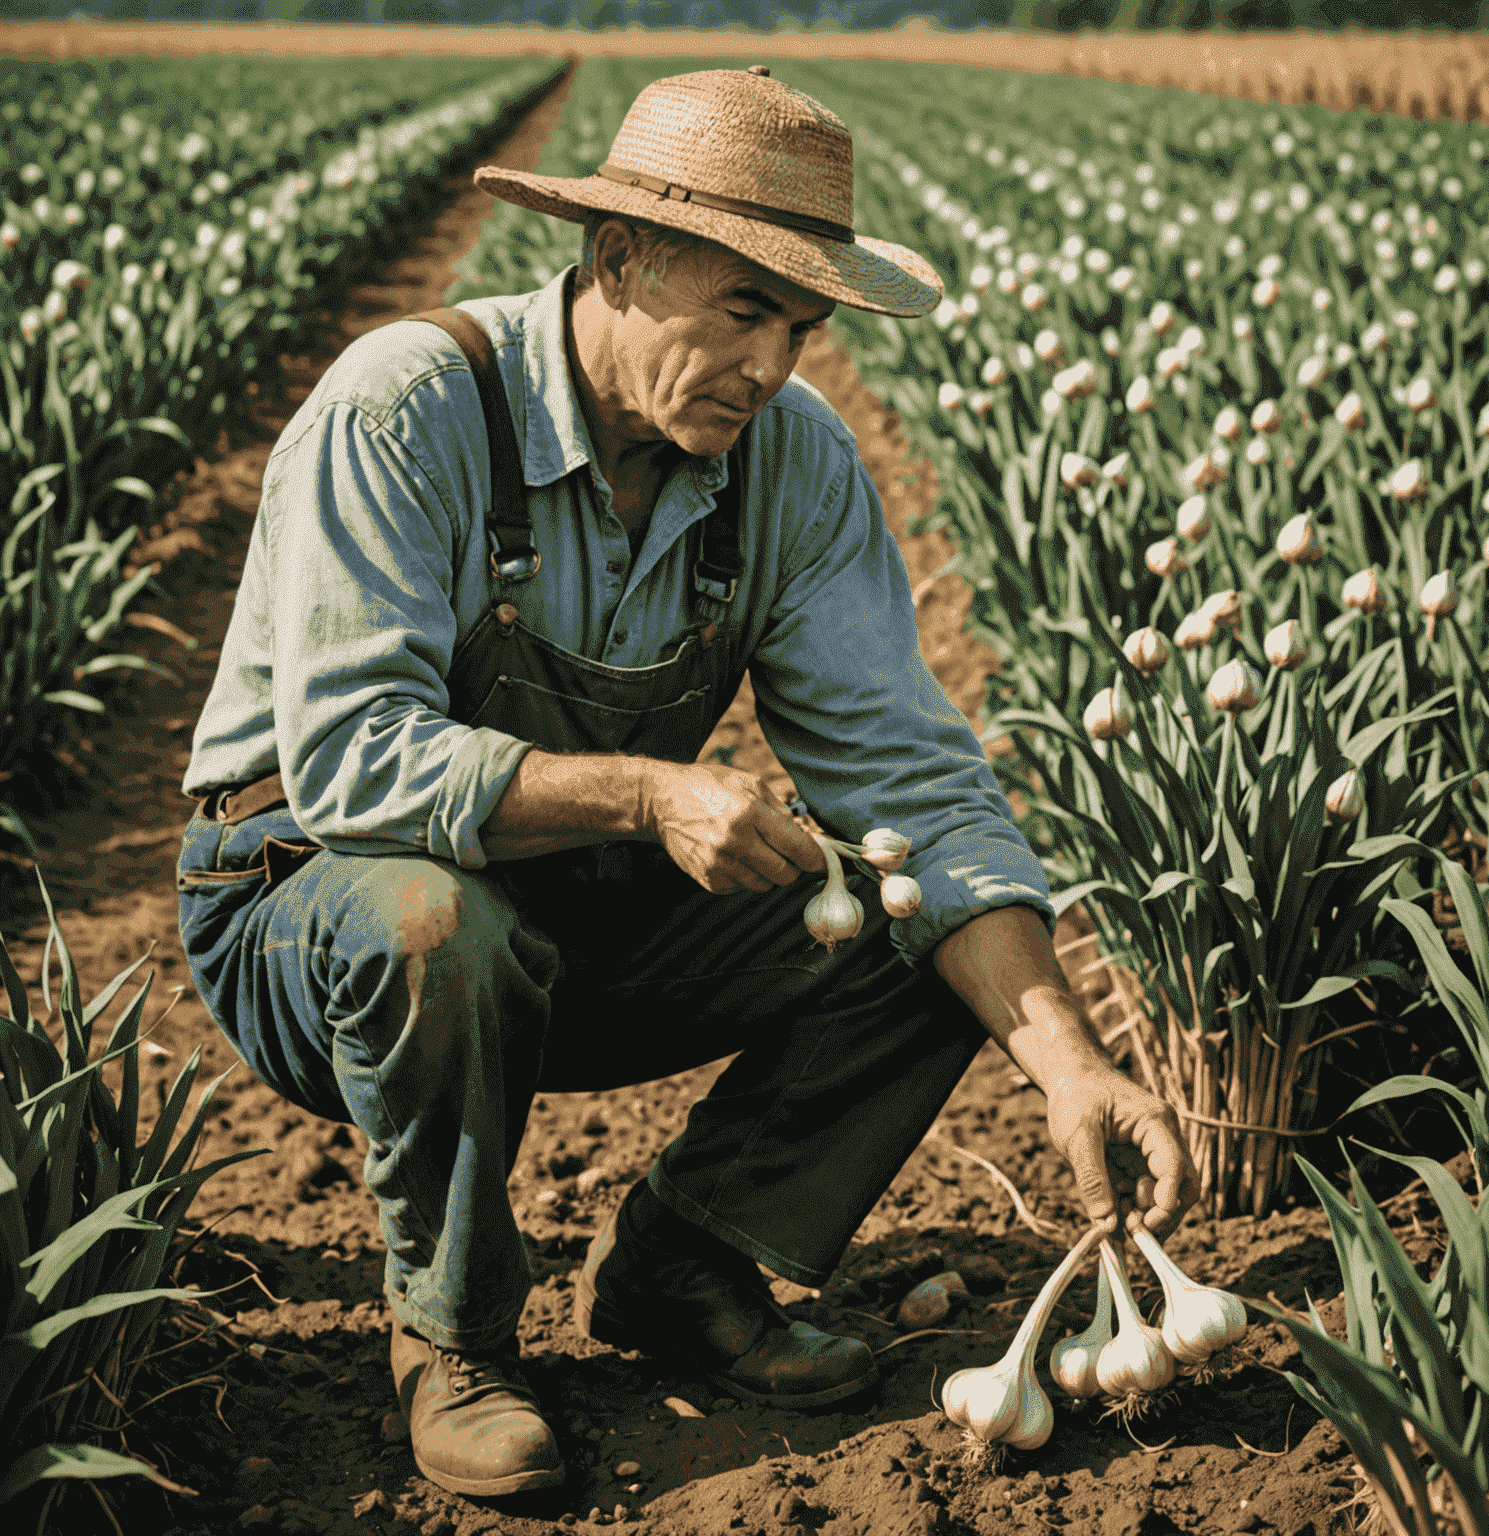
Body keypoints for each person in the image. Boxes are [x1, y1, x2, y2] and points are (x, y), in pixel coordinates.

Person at [176, 66, 1199, 1502]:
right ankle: (454, 1338)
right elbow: (350, 760)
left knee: (921, 913)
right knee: (435, 923)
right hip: (312, 908)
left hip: (561, 909)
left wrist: (1073, 1062)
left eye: (801, 326)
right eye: (740, 312)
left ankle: (682, 1261)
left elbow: (920, 784)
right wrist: (652, 800)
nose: (775, 367)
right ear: (615, 259)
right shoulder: (408, 409)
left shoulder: (794, 466)